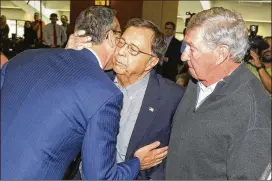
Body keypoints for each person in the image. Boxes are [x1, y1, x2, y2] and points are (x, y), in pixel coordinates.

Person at [1, 6, 167, 180]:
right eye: (120, 38)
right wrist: (137, 162)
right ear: (110, 36)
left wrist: (66, 54)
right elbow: (100, 177)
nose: (121, 49)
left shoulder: (24, 57)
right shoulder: (103, 92)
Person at [65, 18, 185, 180]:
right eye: (121, 43)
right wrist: (68, 57)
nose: (121, 52)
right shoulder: (95, 79)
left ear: (151, 61)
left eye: (133, 50)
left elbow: (175, 157)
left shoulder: (171, 97)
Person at [166, 7, 271, 179]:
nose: (184, 56)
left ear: (221, 54)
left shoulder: (253, 112)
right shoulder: (198, 79)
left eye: (192, 48)